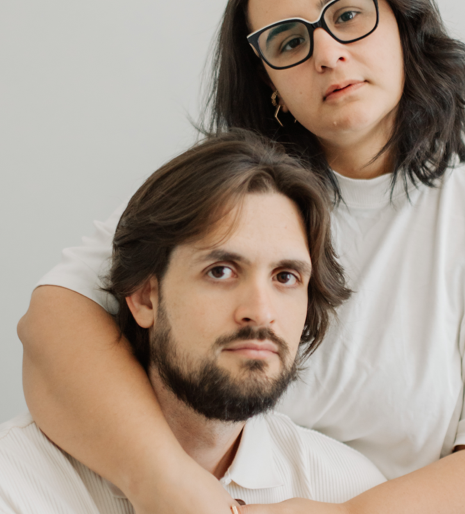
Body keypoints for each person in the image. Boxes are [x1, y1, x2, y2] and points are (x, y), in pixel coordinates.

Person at [18, 0, 465, 514]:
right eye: (289, 42)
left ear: (402, 20)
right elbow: (53, 323)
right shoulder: (223, 195)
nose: (327, 54)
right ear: (268, 79)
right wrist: (170, 487)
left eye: (348, 15)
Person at [0, 131, 385, 513]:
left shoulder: (346, 487)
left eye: (285, 277)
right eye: (221, 271)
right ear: (145, 298)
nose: (260, 311)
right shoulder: (14, 483)